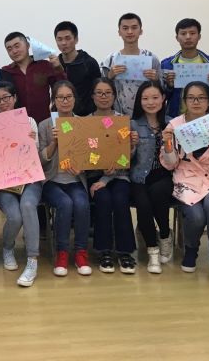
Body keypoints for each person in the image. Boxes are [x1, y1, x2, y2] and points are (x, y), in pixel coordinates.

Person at [160, 81, 209, 289]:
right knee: (196, 216)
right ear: (184, 101)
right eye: (191, 98)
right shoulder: (175, 125)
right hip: (187, 177)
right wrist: (168, 144)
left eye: (201, 97)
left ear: (208, 101)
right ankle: (191, 249)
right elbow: (171, 164)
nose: (196, 102)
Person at [0, 81, 43, 287]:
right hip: (4, 183)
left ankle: (32, 260)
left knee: (28, 205)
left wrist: (32, 142)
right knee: (14, 216)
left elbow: (35, 155)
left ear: (15, 98)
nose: (2, 102)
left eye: (6, 98)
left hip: (29, 179)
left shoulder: (28, 121)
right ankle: (8, 247)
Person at [37, 81, 92, 277]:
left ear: (74, 99)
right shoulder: (45, 125)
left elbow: (91, 154)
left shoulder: (83, 123)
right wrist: (54, 143)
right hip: (52, 180)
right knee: (65, 203)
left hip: (75, 180)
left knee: (82, 203)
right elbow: (40, 160)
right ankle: (62, 252)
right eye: (60, 97)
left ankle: (81, 252)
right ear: (54, 101)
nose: (65, 101)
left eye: (69, 97)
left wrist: (83, 166)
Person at [86, 78, 138, 274]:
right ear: (92, 97)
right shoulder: (85, 122)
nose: (103, 96)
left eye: (107, 92)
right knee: (103, 199)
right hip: (95, 176)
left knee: (120, 198)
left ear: (114, 96)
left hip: (120, 175)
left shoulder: (123, 121)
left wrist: (132, 145)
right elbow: (84, 153)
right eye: (99, 93)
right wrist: (101, 171)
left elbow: (128, 156)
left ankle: (125, 251)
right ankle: (104, 250)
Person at [129, 81, 175, 273]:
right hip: (139, 176)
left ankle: (164, 235)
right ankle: (152, 250)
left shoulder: (172, 123)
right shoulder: (132, 124)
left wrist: (169, 143)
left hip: (165, 174)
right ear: (139, 101)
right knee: (143, 204)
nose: (150, 102)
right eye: (145, 98)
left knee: (158, 193)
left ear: (163, 99)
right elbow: (127, 159)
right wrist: (131, 146)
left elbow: (174, 161)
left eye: (155, 97)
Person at [99, 13, 161, 116]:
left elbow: (163, 89)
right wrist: (109, 76)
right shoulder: (110, 59)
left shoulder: (151, 58)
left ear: (141, 31)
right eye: (125, 28)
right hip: (117, 115)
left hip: (146, 115)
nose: (130, 32)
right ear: (119, 32)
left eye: (134, 27)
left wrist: (156, 79)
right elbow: (101, 90)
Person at [160, 18, 209, 118]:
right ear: (177, 38)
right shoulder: (166, 65)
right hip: (176, 118)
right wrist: (169, 86)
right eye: (183, 33)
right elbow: (160, 98)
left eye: (192, 33)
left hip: (205, 119)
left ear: (199, 36)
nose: (188, 37)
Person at [1, 31, 66, 123]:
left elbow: (61, 88)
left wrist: (58, 68)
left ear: (28, 45)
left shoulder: (44, 65)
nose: (14, 51)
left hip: (44, 121)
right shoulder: (6, 71)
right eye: (9, 49)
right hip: (18, 123)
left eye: (17, 46)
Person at [53, 21, 101, 116]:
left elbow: (98, 91)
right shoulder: (54, 64)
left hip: (86, 117)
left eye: (68, 38)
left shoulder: (89, 62)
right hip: (62, 117)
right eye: (59, 39)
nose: (63, 43)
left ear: (76, 39)